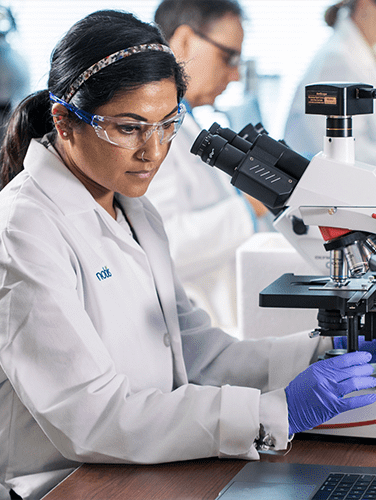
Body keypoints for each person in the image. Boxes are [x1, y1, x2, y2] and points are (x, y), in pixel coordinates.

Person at [0, 11, 376, 500]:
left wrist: (317, 355)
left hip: (131, 468)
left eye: (167, 124)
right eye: (130, 128)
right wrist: (277, 411)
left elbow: (201, 354)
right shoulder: (20, 235)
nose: (153, 151)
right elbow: (92, 417)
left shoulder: (134, 211)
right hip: (49, 485)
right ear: (64, 121)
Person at [147, 0, 264, 334]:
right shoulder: (151, 132)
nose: (236, 74)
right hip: (185, 328)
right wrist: (248, 208)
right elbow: (165, 243)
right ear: (183, 41)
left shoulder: (186, 123)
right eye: (228, 57)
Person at [283, 0, 376, 200]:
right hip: (332, 199)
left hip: (369, 193)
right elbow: (339, 155)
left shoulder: (373, 53)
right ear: (365, 6)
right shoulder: (337, 61)